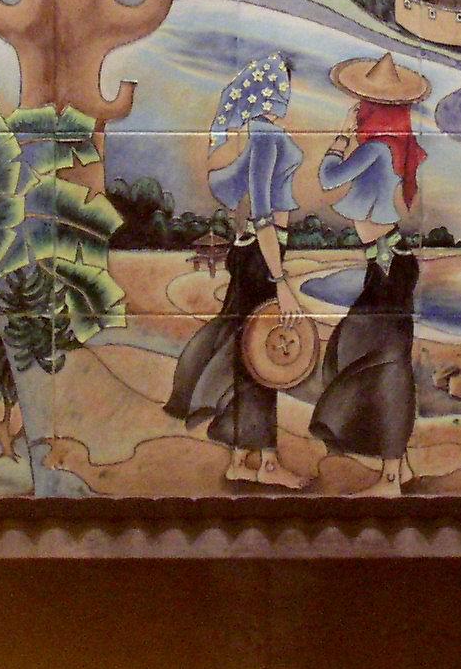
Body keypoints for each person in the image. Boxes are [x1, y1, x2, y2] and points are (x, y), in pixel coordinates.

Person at [165, 53, 310, 488]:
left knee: (247, 355)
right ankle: (267, 464)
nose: (288, 92)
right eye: (284, 83)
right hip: (262, 257)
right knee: (260, 359)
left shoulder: (258, 134)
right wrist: (281, 282)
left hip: (255, 254)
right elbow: (263, 213)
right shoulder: (265, 136)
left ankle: (240, 458)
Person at [308, 51, 431, 495]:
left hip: (389, 266)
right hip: (385, 264)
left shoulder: (376, 149)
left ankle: (391, 476)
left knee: (386, 364)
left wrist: (340, 139)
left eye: (363, 104)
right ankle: (402, 466)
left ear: (375, 109)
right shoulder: (388, 145)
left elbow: (327, 178)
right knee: (352, 349)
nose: (357, 110)